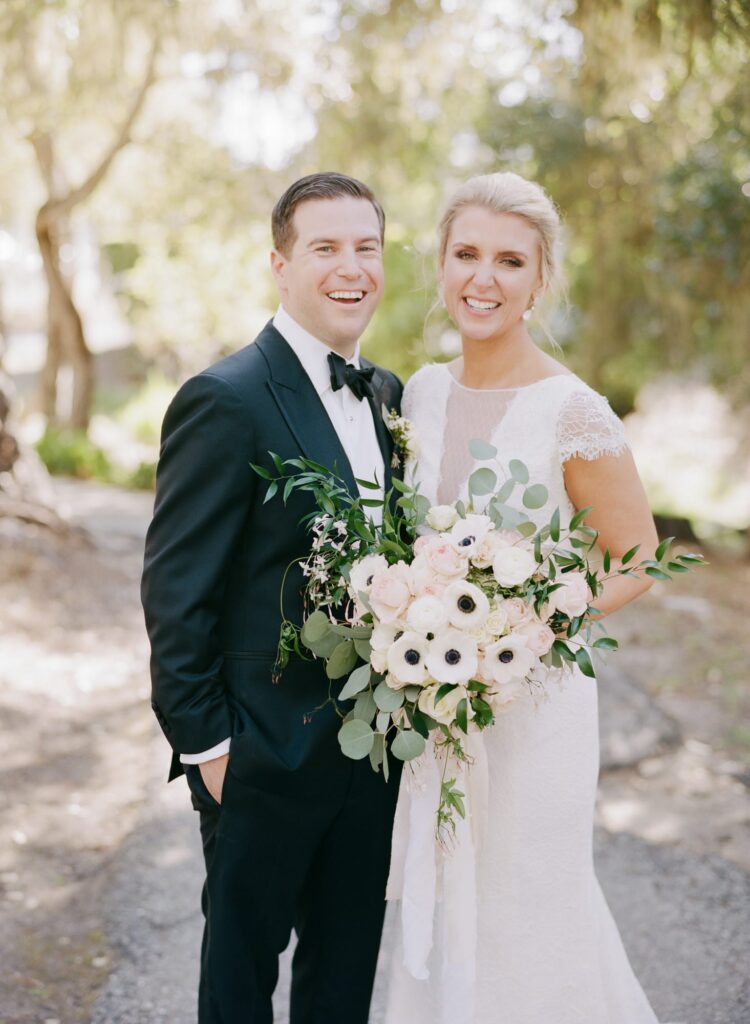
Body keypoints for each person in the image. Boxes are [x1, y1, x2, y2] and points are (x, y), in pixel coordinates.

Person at [384, 171, 663, 1024]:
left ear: (540, 281)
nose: (484, 278)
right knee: (444, 901)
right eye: (466, 254)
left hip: (534, 709)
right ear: (441, 265)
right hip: (436, 707)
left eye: (510, 261)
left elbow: (638, 558)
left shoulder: (571, 409)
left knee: (530, 904)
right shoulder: (419, 392)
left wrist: (533, 624)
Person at [141, 172, 403, 1024]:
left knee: (343, 978)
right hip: (259, 756)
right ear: (280, 265)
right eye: (325, 248)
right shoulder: (225, 397)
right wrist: (210, 748)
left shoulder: (389, 396)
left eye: (365, 247)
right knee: (239, 986)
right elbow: (177, 592)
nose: (349, 267)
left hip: (370, 757)